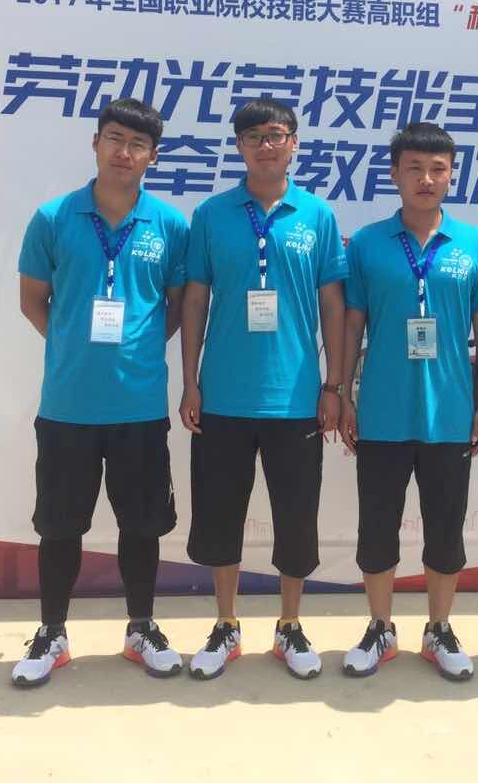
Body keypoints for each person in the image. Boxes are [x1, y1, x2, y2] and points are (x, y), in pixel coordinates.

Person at [12, 97, 189, 687]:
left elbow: (176, 306)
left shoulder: (169, 225)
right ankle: (52, 633)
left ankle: (141, 628)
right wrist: (72, 346)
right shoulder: (54, 218)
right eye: (115, 139)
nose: (124, 152)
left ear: (153, 156)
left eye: (138, 144)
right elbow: (32, 300)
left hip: (139, 406)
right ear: (96, 143)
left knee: (142, 524)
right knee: (60, 525)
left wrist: (136, 348)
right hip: (68, 406)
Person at [179, 99, 347, 680]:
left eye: (276, 134)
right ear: (239, 146)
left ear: (294, 142)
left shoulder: (317, 216)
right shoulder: (212, 214)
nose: (266, 145)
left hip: (296, 397)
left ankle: (289, 625)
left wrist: (334, 385)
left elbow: (333, 304)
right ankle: (226, 624)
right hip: (223, 396)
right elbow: (195, 299)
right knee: (219, 515)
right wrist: (190, 381)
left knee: (295, 517)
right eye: (253, 136)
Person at [338, 122, 478, 681]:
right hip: (381, 414)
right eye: (414, 168)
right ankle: (380, 627)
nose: (426, 179)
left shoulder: (474, 245)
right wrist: (343, 394)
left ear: (451, 175)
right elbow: (352, 324)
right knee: (377, 528)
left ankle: (439, 628)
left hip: (450, 416)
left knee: (445, 530)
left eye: (437, 169)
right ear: (394, 174)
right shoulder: (367, 244)